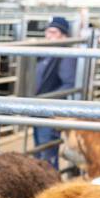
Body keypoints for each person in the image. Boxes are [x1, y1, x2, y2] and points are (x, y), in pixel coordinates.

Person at [33, 16, 78, 169]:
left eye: (54, 32)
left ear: (64, 35)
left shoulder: (65, 55)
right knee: (39, 149)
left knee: (47, 151)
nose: (49, 35)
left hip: (50, 110)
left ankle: (50, 183)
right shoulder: (46, 53)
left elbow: (69, 83)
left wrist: (47, 100)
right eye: (48, 31)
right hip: (38, 107)